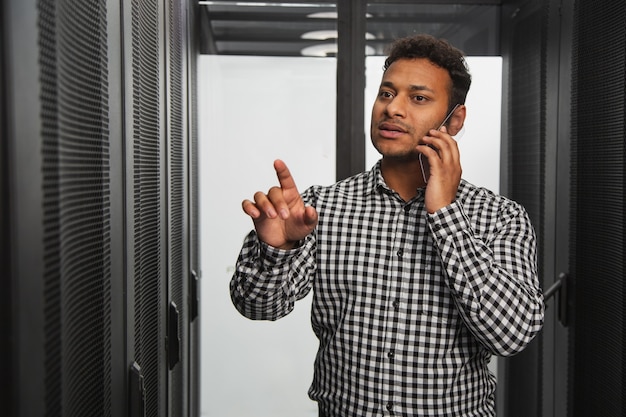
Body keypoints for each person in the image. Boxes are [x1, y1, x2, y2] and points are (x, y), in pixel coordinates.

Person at [230, 34, 544, 416]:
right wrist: (278, 250)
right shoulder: (321, 207)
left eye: (419, 98)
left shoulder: (499, 217)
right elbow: (258, 307)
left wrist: (444, 213)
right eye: (386, 93)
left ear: (455, 119)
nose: (393, 109)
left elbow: (512, 334)